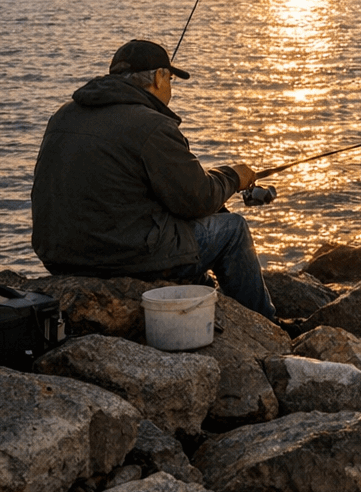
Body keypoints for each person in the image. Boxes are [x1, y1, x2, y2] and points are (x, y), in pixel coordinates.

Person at [31, 39, 277, 320]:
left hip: (58, 256)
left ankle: (204, 295)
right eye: (171, 79)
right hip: (118, 258)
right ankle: (265, 324)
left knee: (178, 226)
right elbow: (197, 199)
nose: (170, 86)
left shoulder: (63, 115)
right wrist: (234, 176)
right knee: (232, 230)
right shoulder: (151, 124)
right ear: (159, 77)